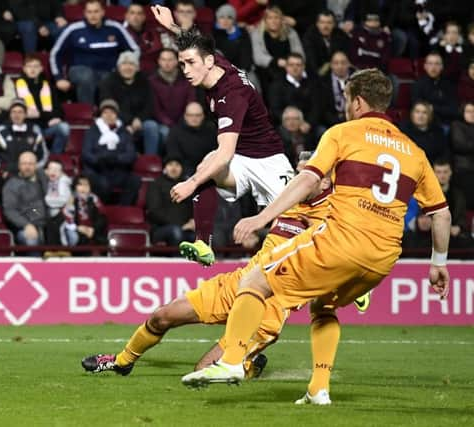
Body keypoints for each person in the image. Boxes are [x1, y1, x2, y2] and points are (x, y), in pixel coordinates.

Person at [181, 69, 450, 406]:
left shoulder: (343, 133)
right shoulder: (414, 151)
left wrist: (263, 217)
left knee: (255, 279)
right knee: (324, 306)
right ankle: (318, 388)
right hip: (383, 258)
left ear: (357, 101)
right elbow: (441, 213)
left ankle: (232, 361)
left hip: (342, 240)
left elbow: (308, 180)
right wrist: (438, 263)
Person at [80, 152, 334, 378]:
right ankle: (122, 362)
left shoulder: (333, 217)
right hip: (242, 282)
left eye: (306, 175)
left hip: (270, 305)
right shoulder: (285, 197)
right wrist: (218, 158)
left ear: (325, 181)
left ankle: (249, 365)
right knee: (162, 316)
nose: (298, 180)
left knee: (203, 372)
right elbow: (226, 176)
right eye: (299, 173)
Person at [151, 5, 294, 266]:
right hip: (243, 157)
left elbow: (225, 152)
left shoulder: (231, 96)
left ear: (207, 62)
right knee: (208, 165)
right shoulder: (216, 63)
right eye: (182, 63)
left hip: (269, 160)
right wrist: (171, 26)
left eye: (190, 63)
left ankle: (349, 277)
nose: (185, 69)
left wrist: (190, 184)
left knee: (304, 221)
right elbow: (197, 44)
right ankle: (203, 245)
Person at [50, 0, 139, 104]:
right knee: (87, 76)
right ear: (84, 13)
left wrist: (128, 67)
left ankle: (107, 113)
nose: (93, 15)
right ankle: (88, 113)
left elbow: (134, 50)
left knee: (110, 79)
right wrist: (59, 78)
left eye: (96, 11)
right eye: (89, 12)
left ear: (103, 12)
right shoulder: (73, 29)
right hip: (80, 69)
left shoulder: (115, 28)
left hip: (108, 70)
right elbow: (55, 53)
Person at [81, 99, 140, 206]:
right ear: (101, 115)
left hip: (119, 170)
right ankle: (104, 209)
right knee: (101, 183)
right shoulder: (92, 131)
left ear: (117, 115)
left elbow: (131, 154)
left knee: (135, 180)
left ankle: (122, 209)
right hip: (98, 170)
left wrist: (116, 158)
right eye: (105, 112)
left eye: (112, 112)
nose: (109, 115)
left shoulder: (124, 132)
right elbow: (86, 153)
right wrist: (99, 159)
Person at [99, 51, 160, 155]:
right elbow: (109, 107)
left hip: (141, 122)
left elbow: (150, 105)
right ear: (118, 67)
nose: (128, 67)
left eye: (131, 64)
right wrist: (130, 121)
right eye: (124, 64)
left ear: (137, 68)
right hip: (118, 121)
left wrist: (139, 120)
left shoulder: (144, 81)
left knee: (152, 126)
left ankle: (149, 159)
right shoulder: (108, 82)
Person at [15, 54, 70, 154]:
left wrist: (43, 116)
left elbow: (59, 111)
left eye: (36, 66)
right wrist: (46, 116)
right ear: (24, 69)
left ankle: (54, 156)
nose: (33, 69)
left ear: (41, 69)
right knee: (36, 129)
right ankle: (41, 157)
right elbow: (24, 115)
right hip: (29, 127)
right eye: (29, 66)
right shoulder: (17, 85)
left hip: (48, 125)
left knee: (64, 127)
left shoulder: (48, 86)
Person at [0, 98, 48, 179]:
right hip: (7, 175)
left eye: (20, 112)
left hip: (30, 175)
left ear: (25, 114)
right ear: (10, 114)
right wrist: (2, 169)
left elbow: (43, 156)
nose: (17, 115)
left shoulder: (35, 132)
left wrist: (32, 169)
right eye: (14, 112)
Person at [250, 5, 305, 89]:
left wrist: (291, 64)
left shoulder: (291, 33)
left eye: (276, 18)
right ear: (265, 20)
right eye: (270, 18)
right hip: (267, 70)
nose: (273, 21)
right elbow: (258, 57)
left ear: (281, 19)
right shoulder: (257, 34)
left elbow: (299, 53)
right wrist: (277, 62)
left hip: (289, 68)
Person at [148, 48, 196, 144]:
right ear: (159, 61)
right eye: (164, 60)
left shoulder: (186, 79)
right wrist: (171, 125)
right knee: (167, 133)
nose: (167, 63)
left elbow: (190, 103)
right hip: (162, 123)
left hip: (184, 121)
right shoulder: (152, 81)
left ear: (176, 61)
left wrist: (182, 122)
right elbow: (156, 109)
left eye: (170, 60)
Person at [2, 151, 48, 247]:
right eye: (24, 164)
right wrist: (26, 225)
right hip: (25, 225)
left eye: (30, 164)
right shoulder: (11, 185)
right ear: (19, 166)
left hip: (48, 224)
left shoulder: (43, 177)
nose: (27, 167)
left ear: (36, 165)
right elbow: (10, 211)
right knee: (31, 239)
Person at [146, 155, 194, 246]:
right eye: (170, 164)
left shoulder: (187, 186)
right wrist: (180, 225)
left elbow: (193, 208)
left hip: (186, 227)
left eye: (177, 165)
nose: (174, 168)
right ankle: (177, 260)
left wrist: (193, 221)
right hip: (161, 228)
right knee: (176, 232)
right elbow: (154, 211)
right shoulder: (156, 185)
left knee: (199, 236)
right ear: (165, 168)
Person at [165, 102, 217, 178]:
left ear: (203, 116)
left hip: (207, 169)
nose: (194, 118)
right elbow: (174, 157)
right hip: (184, 173)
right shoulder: (175, 132)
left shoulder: (211, 130)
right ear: (185, 116)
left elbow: (215, 153)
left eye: (197, 115)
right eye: (190, 115)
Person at [267, 53, 319, 127]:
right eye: (291, 65)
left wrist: (309, 123)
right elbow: (275, 109)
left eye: (298, 65)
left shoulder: (312, 83)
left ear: (303, 67)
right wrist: (291, 122)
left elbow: (316, 107)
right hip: (284, 124)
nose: (295, 68)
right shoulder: (276, 85)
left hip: (307, 124)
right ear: (286, 67)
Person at [411, 52, 459, 126]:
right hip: (427, 124)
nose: (433, 67)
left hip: (446, 123)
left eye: (437, 64)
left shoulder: (449, 84)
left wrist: (433, 107)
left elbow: (453, 110)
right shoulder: (418, 84)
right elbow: (418, 107)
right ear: (425, 66)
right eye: (430, 63)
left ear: (442, 67)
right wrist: (441, 109)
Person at [61, 175, 108, 247]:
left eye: (86, 185)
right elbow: (67, 219)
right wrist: (78, 228)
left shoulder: (94, 199)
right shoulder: (71, 199)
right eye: (80, 185)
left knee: (103, 240)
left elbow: (102, 217)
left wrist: (93, 229)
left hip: (92, 230)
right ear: (75, 187)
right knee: (78, 239)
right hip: (77, 230)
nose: (84, 188)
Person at [301, 9, 350, 78]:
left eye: (329, 23)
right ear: (317, 24)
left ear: (334, 24)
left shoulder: (341, 35)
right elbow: (312, 64)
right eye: (322, 22)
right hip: (316, 75)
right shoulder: (309, 37)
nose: (325, 26)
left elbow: (345, 56)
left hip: (339, 72)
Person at [124, 2, 165, 74]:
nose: (135, 16)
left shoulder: (154, 32)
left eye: (139, 13)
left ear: (144, 17)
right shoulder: (121, 33)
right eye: (132, 13)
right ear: (126, 16)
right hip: (130, 71)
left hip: (154, 72)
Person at [318, 50, 352, 129]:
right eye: (336, 63)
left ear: (349, 64)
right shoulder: (322, 82)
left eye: (343, 63)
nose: (340, 66)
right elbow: (322, 108)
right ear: (331, 65)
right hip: (329, 122)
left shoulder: (357, 80)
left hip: (352, 120)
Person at [450, 101, 474, 208]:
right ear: (462, 112)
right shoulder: (456, 125)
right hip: (463, 168)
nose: (472, 114)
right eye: (469, 111)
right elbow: (460, 145)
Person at [43, 160, 72, 245]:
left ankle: (62, 250)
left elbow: (63, 200)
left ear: (61, 173)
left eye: (57, 170)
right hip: (46, 214)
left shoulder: (63, 182)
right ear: (46, 171)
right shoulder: (44, 181)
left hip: (63, 214)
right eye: (51, 169)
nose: (53, 172)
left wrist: (45, 200)